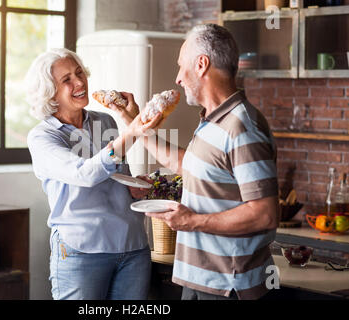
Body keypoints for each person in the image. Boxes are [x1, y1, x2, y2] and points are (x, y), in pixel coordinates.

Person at [118, 24, 280, 300]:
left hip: (229, 285)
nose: (179, 78)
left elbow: (264, 214)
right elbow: (190, 165)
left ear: (202, 64)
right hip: (199, 278)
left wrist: (192, 221)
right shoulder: (213, 119)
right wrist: (138, 126)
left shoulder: (241, 127)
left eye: (182, 67)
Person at [25, 48, 161, 300]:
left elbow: (118, 174)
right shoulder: (43, 136)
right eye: (66, 80)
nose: (79, 82)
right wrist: (132, 130)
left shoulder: (105, 121)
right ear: (49, 91)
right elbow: (84, 174)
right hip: (82, 251)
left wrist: (134, 187)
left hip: (132, 246)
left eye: (79, 73)